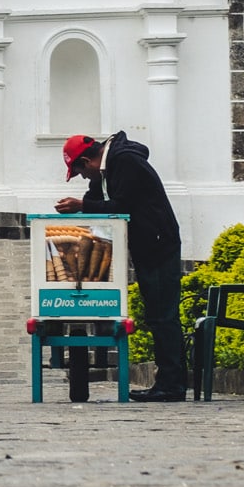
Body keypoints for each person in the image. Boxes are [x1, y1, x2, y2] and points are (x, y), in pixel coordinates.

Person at [56, 131, 186, 403]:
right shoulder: (106, 172)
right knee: (156, 315)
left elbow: (121, 204)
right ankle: (167, 383)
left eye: (80, 172)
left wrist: (81, 206)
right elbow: (96, 200)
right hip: (146, 246)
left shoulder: (125, 162)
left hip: (159, 244)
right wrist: (82, 207)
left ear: (87, 161)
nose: (84, 178)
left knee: (164, 316)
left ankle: (172, 386)